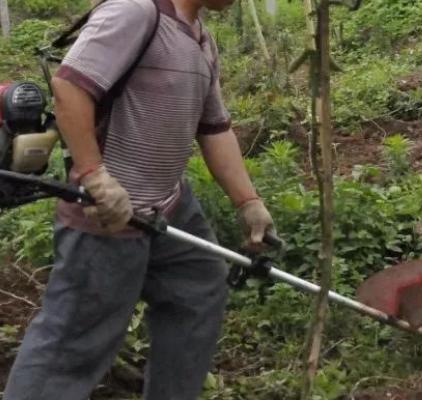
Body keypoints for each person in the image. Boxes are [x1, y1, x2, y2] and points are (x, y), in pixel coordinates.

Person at [3, 0, 275, 398]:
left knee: (198, 291)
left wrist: (248, 201)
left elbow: (214, 129)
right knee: (74, 342)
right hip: (108, 214)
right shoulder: (135, 12)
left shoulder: (203, 42)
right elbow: (69, 86)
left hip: (170, 207)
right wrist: (96, 177)